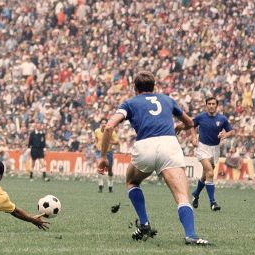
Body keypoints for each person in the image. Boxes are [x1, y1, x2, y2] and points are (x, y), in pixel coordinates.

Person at [97, 71, 210, 245]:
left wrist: (103, 156)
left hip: (145, 146)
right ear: (154, 87)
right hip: (169, 144)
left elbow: (109, 126)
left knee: (132, 182)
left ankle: (144, 224)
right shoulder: (167, 100)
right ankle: (191, 235)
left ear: (135, 88)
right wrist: (180, 126)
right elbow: (189, 123)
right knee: (181, 196)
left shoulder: (130, 103)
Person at [186, 97, 233, 211]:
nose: (211, 106)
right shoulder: (201, 117)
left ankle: (196, 194)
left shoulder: (222, 119)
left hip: (215, 149)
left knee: (205, 175)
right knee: (210, 173)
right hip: (202, 148)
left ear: (217, 105)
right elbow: (192, 125)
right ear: (206, 105)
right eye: (209, 104)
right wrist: (193, 137)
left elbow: (231, 131)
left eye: (213, 104)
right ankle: (213, 202)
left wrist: (225, 135)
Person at [94, 119, 119, 192]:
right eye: (102, 123)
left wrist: (109, 142)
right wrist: (96, 145)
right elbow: (96, 139)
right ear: (100, 124)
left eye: (105, 123)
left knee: (109, 170)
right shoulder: (97, 131)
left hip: (108, 152)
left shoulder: (112, 132)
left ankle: (110, 187)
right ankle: (100, 186)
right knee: (100, 167)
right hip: (99, 152)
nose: (104, 124)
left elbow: (117, 142)